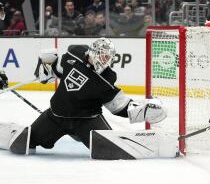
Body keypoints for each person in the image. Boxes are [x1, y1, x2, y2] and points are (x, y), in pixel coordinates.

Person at [0, 38, 167, 157]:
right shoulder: (74, 54)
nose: (104, 60)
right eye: (102, 55)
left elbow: (119, 106)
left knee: (112, 147)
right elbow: (56, 69)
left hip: (87, 120)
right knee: (24, 142)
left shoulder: (106, 78)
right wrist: (45, 68)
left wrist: (142, 110)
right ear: (93, 51)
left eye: (107, 57)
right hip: (56, 116)